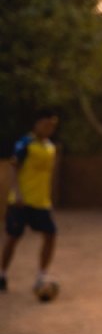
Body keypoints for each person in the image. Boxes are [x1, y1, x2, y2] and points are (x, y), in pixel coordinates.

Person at [0, 108, 59, 293]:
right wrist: (16, 193)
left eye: (52, 125)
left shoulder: (50, 147)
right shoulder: (25, 143)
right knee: (13, 237)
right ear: (37, 124)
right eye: (46, 124)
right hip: (21, 201)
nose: (49, 128)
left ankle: (42, 275)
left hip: (41, 202)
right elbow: (14, 168)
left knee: (51, 234)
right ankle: (2, 273)